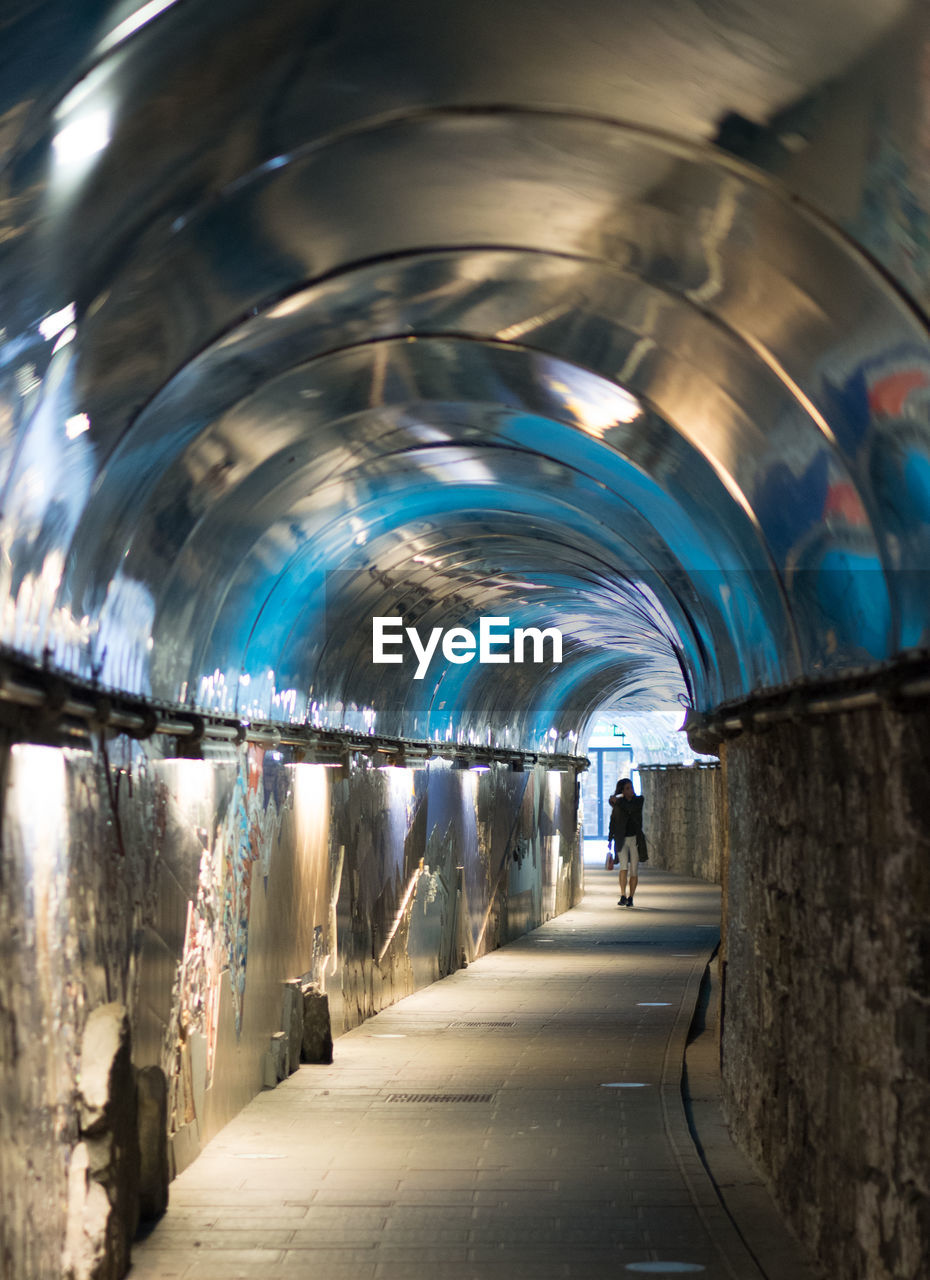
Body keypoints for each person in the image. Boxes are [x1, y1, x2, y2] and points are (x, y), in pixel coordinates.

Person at [608, 778, 644, 908]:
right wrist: (610, 839)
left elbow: (631, 809)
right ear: (622, 791)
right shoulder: (619, 803)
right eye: (627, 788)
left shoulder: (639, 800)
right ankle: (623, 894)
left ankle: (631, 897)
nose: (631, 790)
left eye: (631, 787)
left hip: (635, 839)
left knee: (634, 869)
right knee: (623, 867)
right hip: (621, 839)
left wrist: (617, 802)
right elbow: (613, 821)